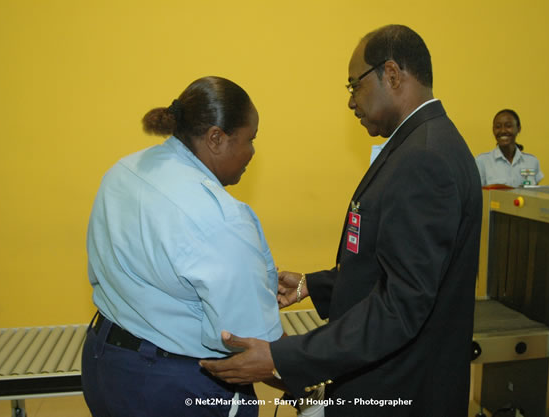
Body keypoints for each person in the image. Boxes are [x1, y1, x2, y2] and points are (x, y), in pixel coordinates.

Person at [200, 25, 483, 417]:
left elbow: (400, 306)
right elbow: (390, 263)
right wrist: (311, 285)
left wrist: (283, 357)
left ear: (392, 74)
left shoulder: (424, 158)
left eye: (354, 86)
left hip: (401, 391)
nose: (351, 102)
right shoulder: (420, 144)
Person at [81, 76, 284, 417]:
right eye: (250, 139)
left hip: (105, 364)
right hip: (175, 387)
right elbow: (250, 343)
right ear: (216, 138)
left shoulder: (126, 170)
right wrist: (312, 382)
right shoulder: (220, 217)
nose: (252, 153)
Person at [475, 109, 544, 187]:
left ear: (518, 129)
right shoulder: (482, 162)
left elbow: (536, 195)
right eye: (498, 127)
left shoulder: (532, 161)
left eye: (508, 126)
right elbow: (478, 195)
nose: (503, 131)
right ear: (493, 130)